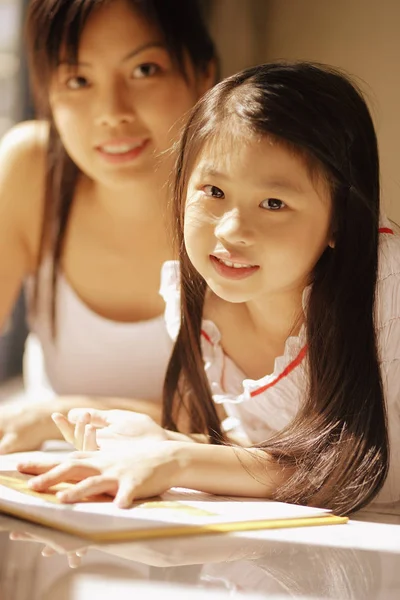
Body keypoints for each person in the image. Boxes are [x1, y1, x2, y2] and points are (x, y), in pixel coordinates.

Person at [19, 62, 400, 515]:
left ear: (340, 220)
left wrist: (180, 458)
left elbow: (366, 471)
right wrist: (164, 440)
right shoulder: (190, 298)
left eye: (274, 203)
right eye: (213, 192)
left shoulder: (384, 289)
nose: (232, 229)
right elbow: (264, 447)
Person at [0, 0, 216, 453]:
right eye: (78, 80)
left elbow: (274, 416)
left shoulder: (252, 198)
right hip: (57, 482)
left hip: (213, 490)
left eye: (144, 70)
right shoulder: (31, 171)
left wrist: (71, 411)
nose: (111, 111)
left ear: (203, 73)